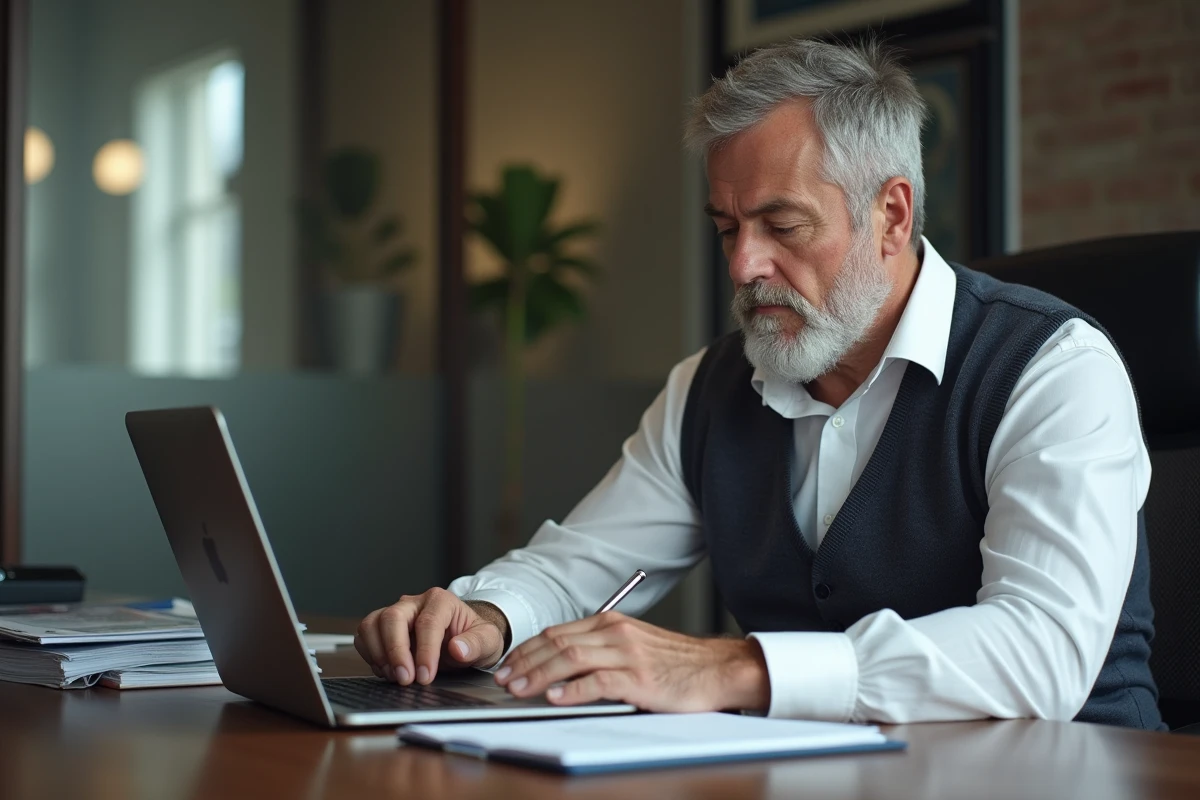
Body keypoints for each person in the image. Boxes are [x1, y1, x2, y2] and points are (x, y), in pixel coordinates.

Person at [354, 38, 1163, 729]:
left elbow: (1043, 652)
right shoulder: (709, 388)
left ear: (892, 215)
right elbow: (579, 568)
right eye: (727, 229)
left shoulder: (1054, 370)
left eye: (782, 225)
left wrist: (737, 669)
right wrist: (483, 619)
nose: (744, 266)